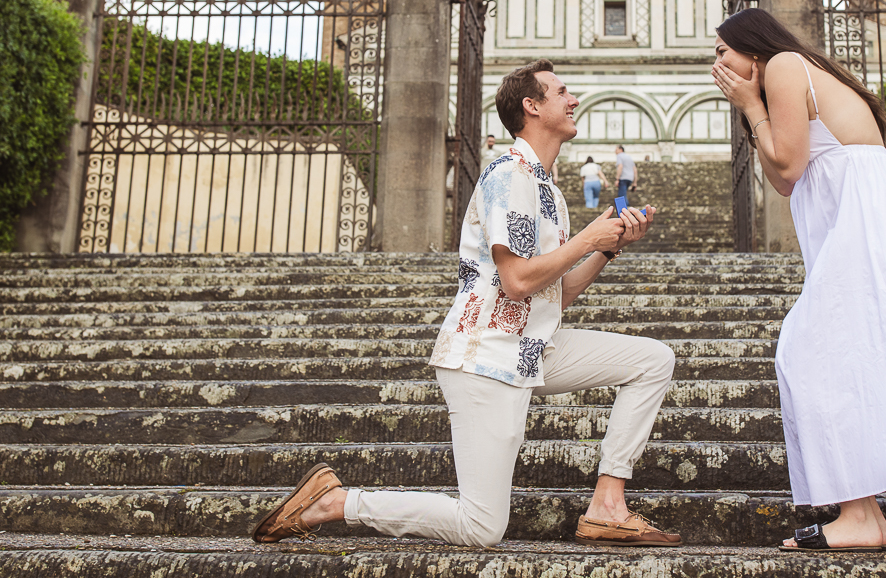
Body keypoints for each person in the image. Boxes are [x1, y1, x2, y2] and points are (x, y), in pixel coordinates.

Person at [251, 59, 681, 549]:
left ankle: (607, 505)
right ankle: (337, 502)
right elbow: (516, 280)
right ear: (532, 106)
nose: (573, 99)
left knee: (652, 360)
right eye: (562, 91)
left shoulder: (548, 193)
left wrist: (606, 248)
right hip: (485, 357)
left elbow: (553, 293)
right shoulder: (509, 174)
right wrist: (586, 239)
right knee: (481, 527)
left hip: (530, 347)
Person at [710, 9, 886, 552]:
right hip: (862, 215)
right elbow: (781, 181)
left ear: (750, 48)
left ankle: (859, 513)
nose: (718, 62)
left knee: (811, 352)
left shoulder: (781, 66)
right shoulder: (785, 73)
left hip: (864, 218)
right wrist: (754, 111)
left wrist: (751, 105)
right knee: (840, 353)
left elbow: (792, 167)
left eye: (723, 50)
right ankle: (864, 514)